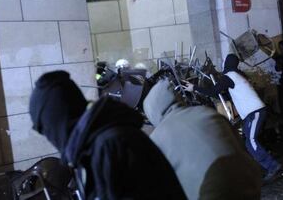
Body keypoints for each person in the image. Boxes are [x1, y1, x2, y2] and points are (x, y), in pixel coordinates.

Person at [29, 71, 186, 200]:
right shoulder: (93, 147)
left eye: (45, 128)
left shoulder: (109, 145)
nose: (49, 137)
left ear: (57, 117)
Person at [143, 78, 262, 199]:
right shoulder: (206, 112)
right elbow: (240, 145)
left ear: (151, 112)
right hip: (249, 185)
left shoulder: (156, 138)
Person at [183, 53, 281, 181]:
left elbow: (213, 91)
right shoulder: (237, 75)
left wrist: (194, 88)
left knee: (251, 141)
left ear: (227, 63)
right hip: (251, 113)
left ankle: (273, 167)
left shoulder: (229, 77)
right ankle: (262, 167)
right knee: (247, 141)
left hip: (255, 112)